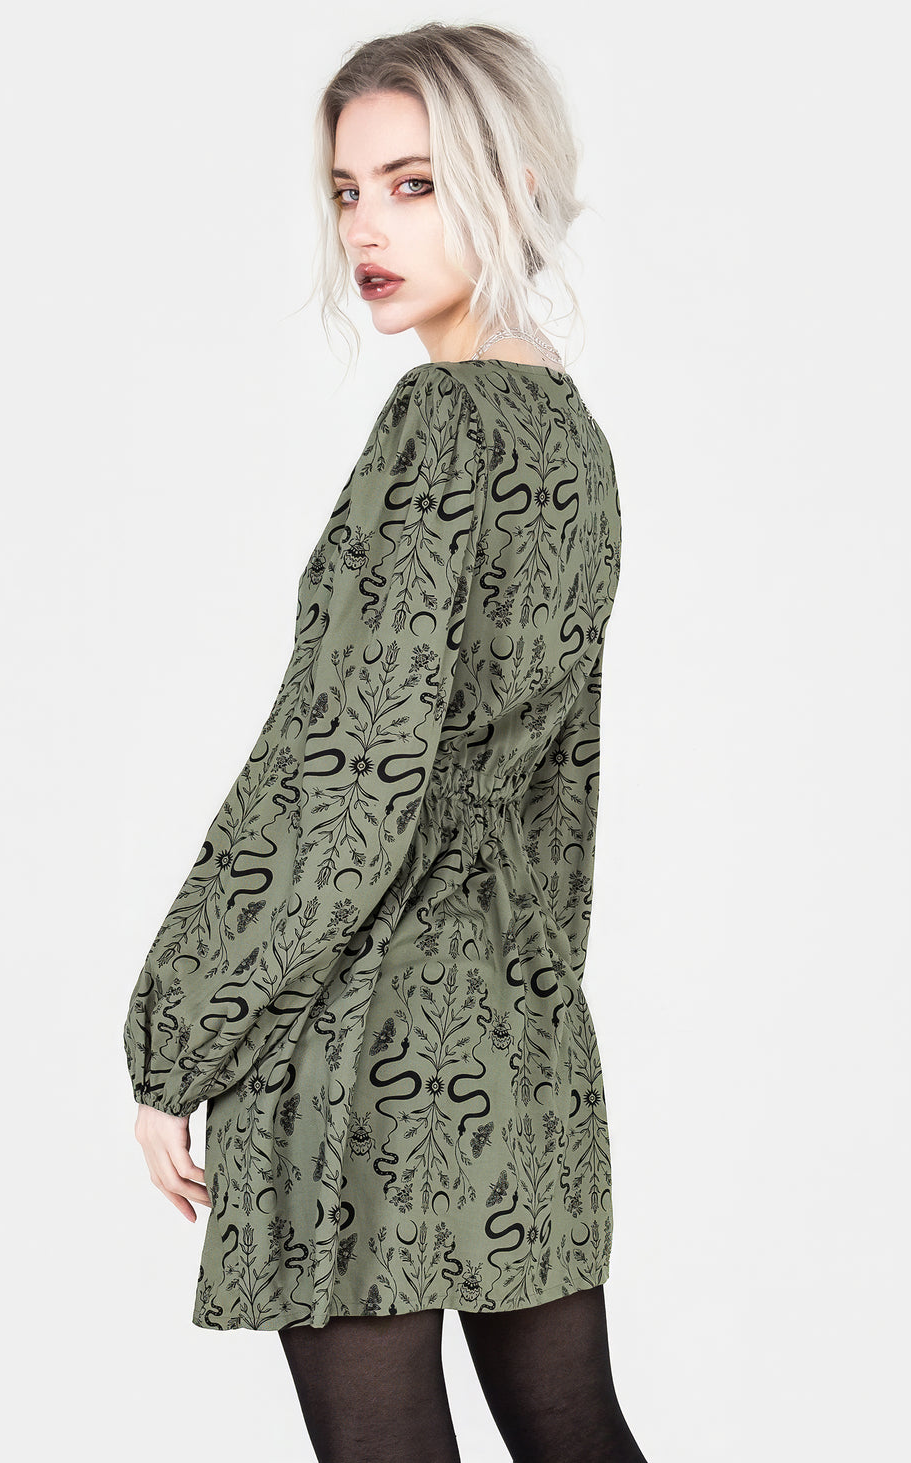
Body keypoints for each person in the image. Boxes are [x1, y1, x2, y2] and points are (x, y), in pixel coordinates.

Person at [123, 21, 648, 1463]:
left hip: (362, 1047)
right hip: (518, 1025)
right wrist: (538, 999)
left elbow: (344, 775)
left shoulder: (437, 428)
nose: (367, 226)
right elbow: (557, 796)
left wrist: (180, 1030)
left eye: (414, 184)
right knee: (576, 1431)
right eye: (348, 191)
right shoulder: (570, 439)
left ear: (515, 183)